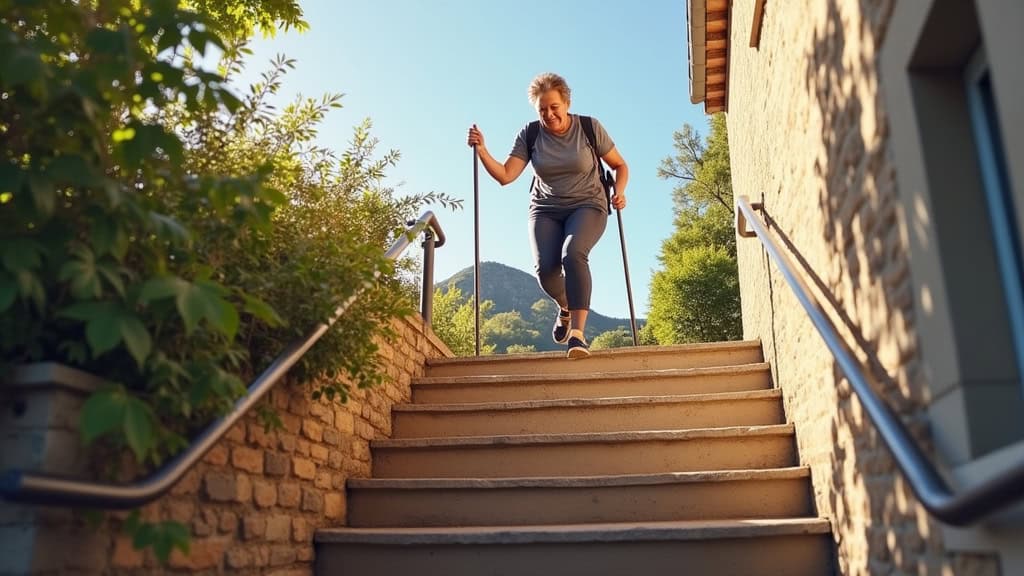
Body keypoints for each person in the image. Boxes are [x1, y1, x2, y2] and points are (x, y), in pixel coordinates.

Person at [467, 72, 629, 359]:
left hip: (588, 204)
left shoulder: (589, 127)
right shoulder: (530, 134)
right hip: (545, 209)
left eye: (554, 107)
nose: (549, 114)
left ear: (566, 103)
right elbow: (506, 176)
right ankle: (565, 306)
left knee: (573, 253)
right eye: (543, 109)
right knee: (545, 270)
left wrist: (620, 191)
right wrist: (482, 150)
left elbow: (619, 165)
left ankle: (577, 336)